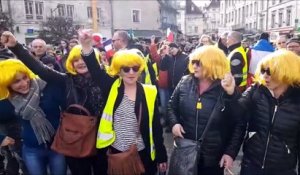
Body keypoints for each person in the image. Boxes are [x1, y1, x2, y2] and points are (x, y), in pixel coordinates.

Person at [1, 31, 108, 175]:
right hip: (75, 140)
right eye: (75, 60)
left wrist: (87, 47)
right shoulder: (65, 81)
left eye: (83, 58)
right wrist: (16, 47)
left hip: (102, 138)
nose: (80, 62)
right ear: (70, 63)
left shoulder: (104, 80)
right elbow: (39, 68)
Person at [78, 30, 168, 175]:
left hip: (142, 154)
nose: (131, 72)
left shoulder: (149, 92)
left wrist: (161, 156)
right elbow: (95, 70)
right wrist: (86, 45)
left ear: (140, 70)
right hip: (116, 154)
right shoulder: (112, 86)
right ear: (119, 70)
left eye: (135, 68)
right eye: (126, 69)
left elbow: (156, 126)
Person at [222, 50, 300, 175]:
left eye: (270, 71)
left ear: (287, 72)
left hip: (283, 169)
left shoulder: (297, 99)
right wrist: (232, 94)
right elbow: (238, 116)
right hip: (251, 165)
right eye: (263, 71)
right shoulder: (256, 90)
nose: (265, 76)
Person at [168, 46, 244, 175]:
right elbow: (171, 107)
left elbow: (239, 123)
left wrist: (230, 153)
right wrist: (174, 123)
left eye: (199, 63)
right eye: (193, 62)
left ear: (212, 64)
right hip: (186, 152)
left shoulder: (226, 88)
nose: (194, 66)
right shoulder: (185, 82)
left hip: (213, 157)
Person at [0, 59, 66, 175]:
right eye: (17, 81)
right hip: (32, 150)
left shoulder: (46, 88)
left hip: (58, 147)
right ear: (7, 83)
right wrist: (1, 138)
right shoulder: (8, 101)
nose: (24, 83)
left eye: (25, 77)